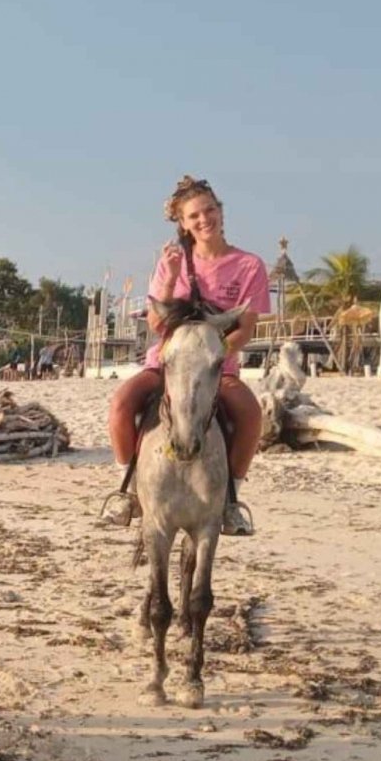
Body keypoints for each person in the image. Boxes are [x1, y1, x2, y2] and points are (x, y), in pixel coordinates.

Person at [101, 175, 269, 536]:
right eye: (194, 215)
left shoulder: (249, 265)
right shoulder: (172, 262)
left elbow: (246, 328)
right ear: (183, 223)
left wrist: (213, 354)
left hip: (215, 365)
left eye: (209, 210)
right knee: (120, 403)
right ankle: (126, 491)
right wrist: (171, 276)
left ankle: (232, 500)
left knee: (251, 414)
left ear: (221, 212)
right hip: (167, 362)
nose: (204, 219)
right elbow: (157, 323)